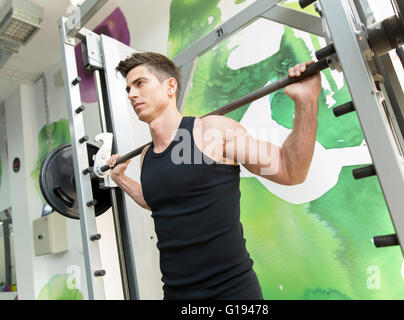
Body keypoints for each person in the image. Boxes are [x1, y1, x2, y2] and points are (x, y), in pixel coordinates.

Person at [107, 52, 321, 300]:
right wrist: (120, 179)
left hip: (230, 293)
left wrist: (307, 101)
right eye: (128, 89)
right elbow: (157, 199)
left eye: (140, 83)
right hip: (176, 294)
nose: (132, 94)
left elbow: (290, 170)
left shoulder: (212, 132)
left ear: (170, 86)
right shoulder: (146, 156)